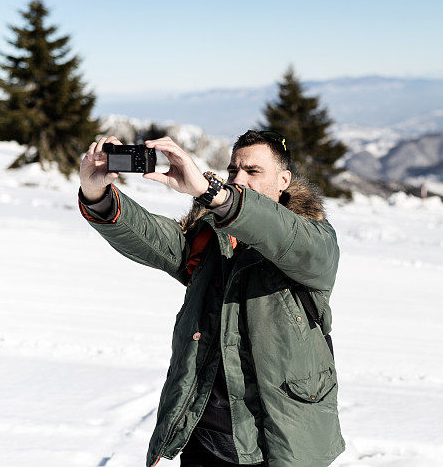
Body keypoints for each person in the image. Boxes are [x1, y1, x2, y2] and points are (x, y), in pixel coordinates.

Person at [77, 130, 345, 467]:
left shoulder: (313, 240)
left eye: (254, 171)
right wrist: (95, 191)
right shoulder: (212, 238)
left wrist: (210, 192)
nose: (239, 179)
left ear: (283, 180)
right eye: (233, 171)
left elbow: (285, 237)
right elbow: (152, 236)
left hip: (276, 445)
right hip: (204, 439)